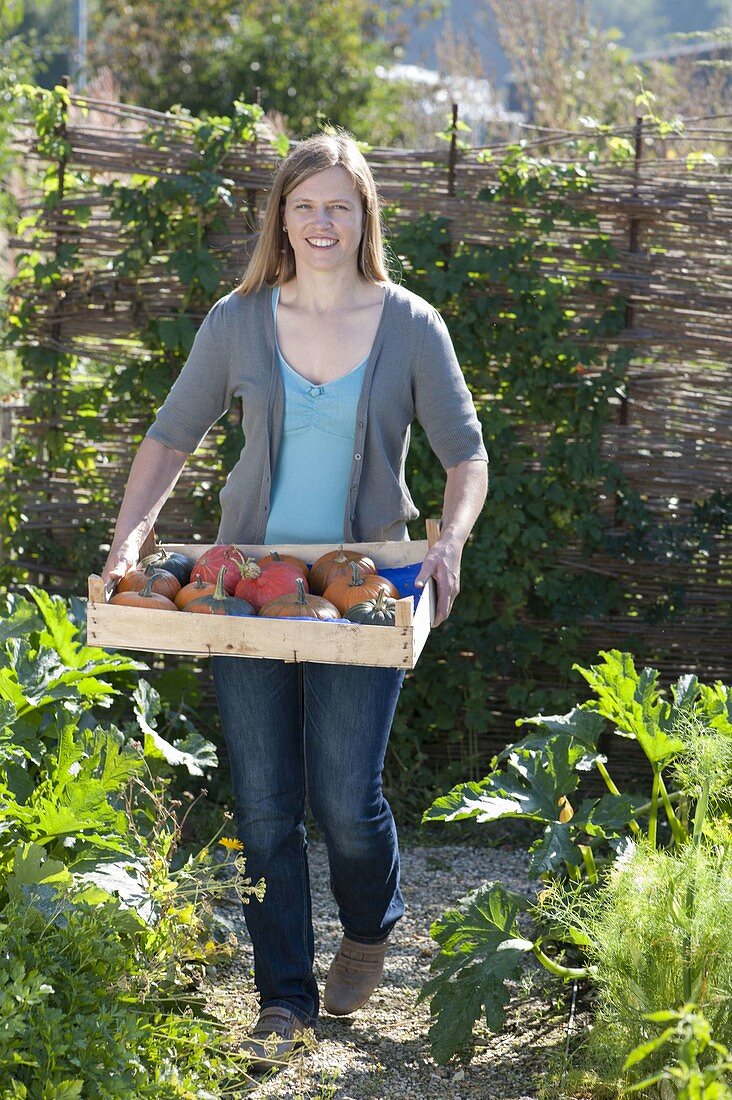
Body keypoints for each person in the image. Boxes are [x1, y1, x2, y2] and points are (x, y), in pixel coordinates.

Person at [102, 132, 488, 1071]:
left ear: (365, 220)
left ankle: (368, 928)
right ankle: (283, 998)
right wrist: (131, 533)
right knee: (266, 802)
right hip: (244, 590)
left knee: (346, 801)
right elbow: (171, 436)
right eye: (305, 205)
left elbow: (465, 455)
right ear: (281, 215)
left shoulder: (410, 324)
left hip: (362, 593)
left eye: (339, 206)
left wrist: (449, 539)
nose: (321, 223)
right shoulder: (236, 322)